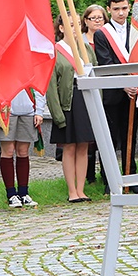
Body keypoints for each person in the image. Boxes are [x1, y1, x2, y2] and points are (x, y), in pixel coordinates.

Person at [92, 0, 138, 194]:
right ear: (109, 10)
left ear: (129, 7)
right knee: (111, 138)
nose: (121, 13)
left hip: (132, 92)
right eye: (116, 9)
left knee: (130, 136)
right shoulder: (102, 34)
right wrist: (123, 83)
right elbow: (105, 63)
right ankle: (110, 180)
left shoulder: (136, 30)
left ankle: (131, 178)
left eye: (124, 8)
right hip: (114, 93)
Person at [46, 13, 97, 202]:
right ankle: (71, 191)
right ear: (61, 28)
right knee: (69, 147)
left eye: (77, 23)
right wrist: (57, 113)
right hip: (68, 101)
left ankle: (81, 189)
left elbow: (95, 74)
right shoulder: (55, 51)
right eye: (71, 24)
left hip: (85, 99)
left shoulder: (85, 49)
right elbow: (51, 86)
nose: (76, 27)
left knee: (84, 146)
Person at [0, 89, 45, 208]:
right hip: (6, 110)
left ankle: (23, 192)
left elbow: (39, 86)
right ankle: (11, 194)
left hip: (28, 109)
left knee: (23, 151)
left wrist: (39, 111)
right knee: (8, 151)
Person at [81, 4, 107, 183]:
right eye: (93, 18)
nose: (97, 21)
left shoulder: (108, 38)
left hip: (105, 91)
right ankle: (88, 174)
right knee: (88, 134)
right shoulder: (81, 41)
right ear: (86, 21)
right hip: (87, 91)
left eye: (100, 18)